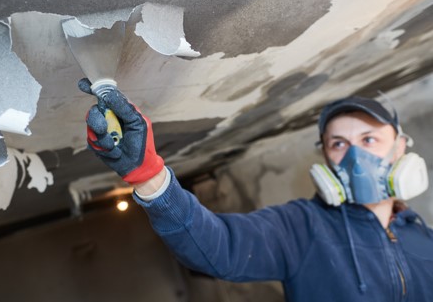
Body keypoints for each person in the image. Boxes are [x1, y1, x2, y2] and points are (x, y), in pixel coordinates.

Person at [79, 78, 432, 302]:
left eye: (369, 139)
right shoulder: (300, 228)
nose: (355, 156)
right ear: (325, 156)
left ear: (399, 147)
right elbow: (221, 248)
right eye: (338, 143)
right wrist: (150, 177)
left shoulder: (425, 238)